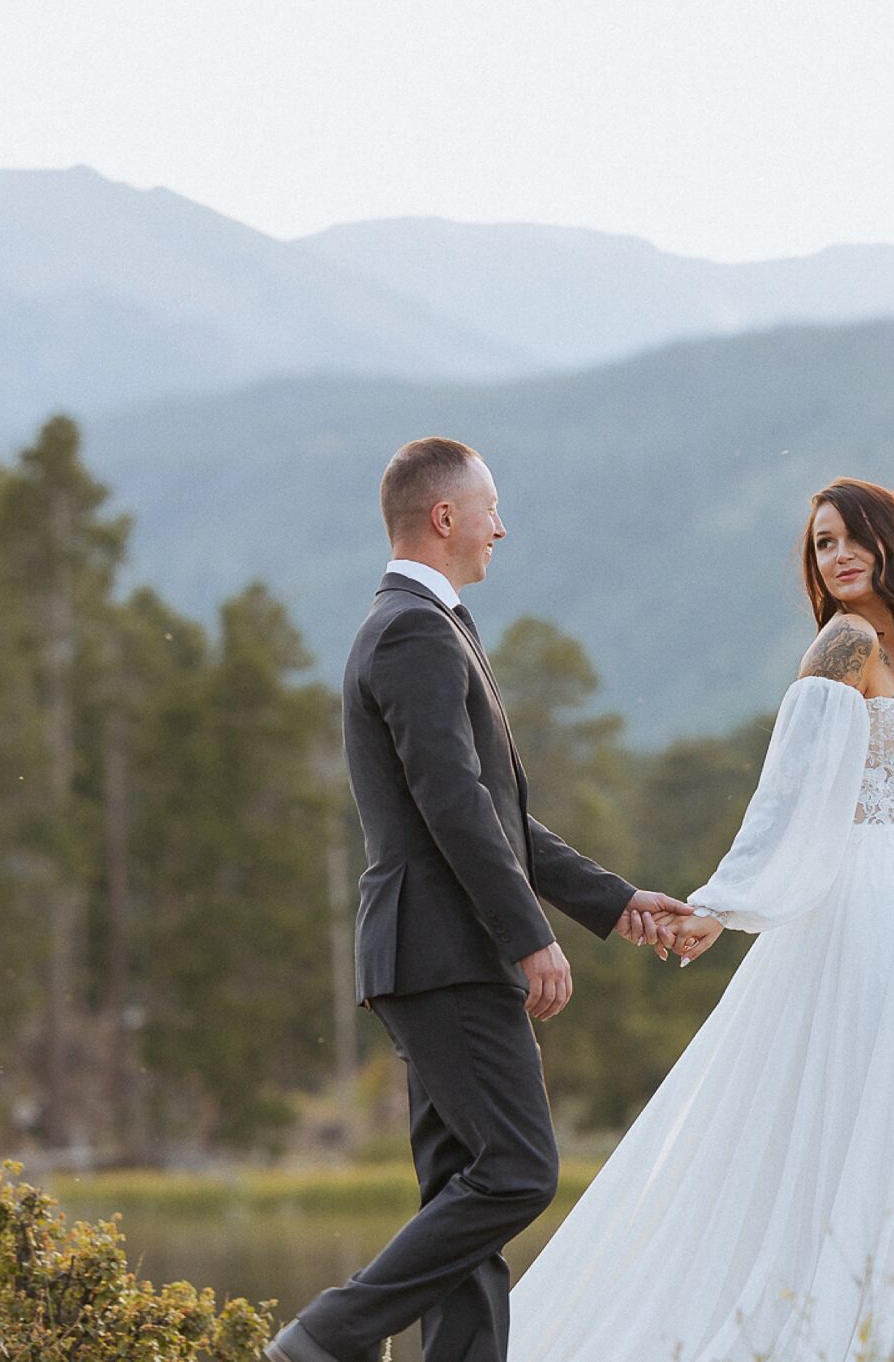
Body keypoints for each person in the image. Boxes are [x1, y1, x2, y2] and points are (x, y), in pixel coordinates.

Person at [508, 477, 894, 1362]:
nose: (839, 556)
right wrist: (724, 906)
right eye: (823, 544)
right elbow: (789, 795)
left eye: (853, 538)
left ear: (893, 545)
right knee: (867, 1114)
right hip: (866, 915)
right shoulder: (844, 644)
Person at [270, 438, 695, 1362]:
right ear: (445, 517)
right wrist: (528, 936)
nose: (503, 526)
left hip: (428, 953)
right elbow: (452, 805)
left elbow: (497, 816)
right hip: (446, 951)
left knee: (464, 1193)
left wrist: (615, 901)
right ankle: (322, 1340)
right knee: (517, 1172)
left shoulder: (425, 624)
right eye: (491, 507)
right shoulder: (415, 630)